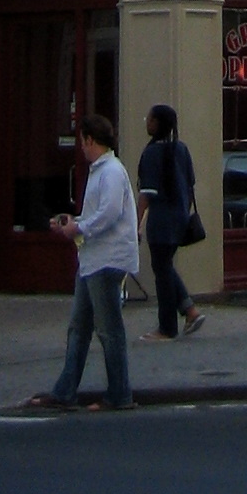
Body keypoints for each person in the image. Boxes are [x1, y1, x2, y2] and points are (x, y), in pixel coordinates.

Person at [34, 111, 135, 411]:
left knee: (108, 329)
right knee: (79, 327)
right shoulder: (102, 171)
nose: (81, 148)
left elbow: (109, 213)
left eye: (83, 141)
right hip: (92, 260)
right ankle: (65, 392)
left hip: (106, 260)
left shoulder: (112, 171)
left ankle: (119, 394)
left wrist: (79, 227)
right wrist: (74, 222)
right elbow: (100, 214)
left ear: (91, 140)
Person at [136, 104, 205, 339]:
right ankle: (190, 310)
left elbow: (146, 193)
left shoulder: (152, 153)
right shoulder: (181, 149)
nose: (147, 122)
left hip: (161, 220)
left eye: (150, 118)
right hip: (180, 218)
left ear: (157, 124)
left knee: (162, 271)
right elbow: (190, 183)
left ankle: (167, 327)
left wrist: (135, 223)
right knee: (164, 266)